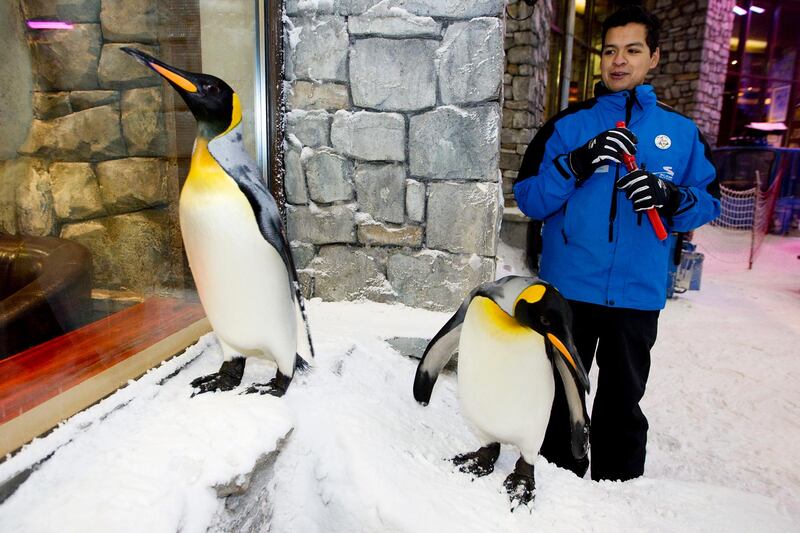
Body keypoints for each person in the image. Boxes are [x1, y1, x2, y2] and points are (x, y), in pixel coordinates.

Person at [513, 5, 720, 482]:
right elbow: (530, 199)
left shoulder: (681, 133)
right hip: (570, 291)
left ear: (654, 58)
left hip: (636, 292)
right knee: (562, 395)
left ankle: (618, 492)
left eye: (632, 50)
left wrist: (672, 196)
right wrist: (577, 163)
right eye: (609, 50)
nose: (618, 61)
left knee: (622, 401)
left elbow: (708, 201)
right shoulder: (567, 127)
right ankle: (556, 483)